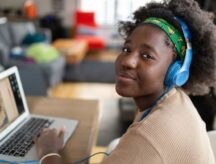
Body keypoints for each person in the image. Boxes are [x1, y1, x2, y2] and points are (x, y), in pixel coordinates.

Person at [34, 0, 216, 163]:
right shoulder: (175, 100)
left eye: (147, 56)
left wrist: (48, 150)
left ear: (176, 72)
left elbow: (146, 143)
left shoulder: (148, 137)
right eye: (127, 49)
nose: (128, 61)